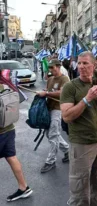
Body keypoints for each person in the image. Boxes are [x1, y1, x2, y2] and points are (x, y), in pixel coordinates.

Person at [60, 51, 97, 206]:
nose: (81, 66)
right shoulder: (70, 87)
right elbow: (67, 116)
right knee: (80, 191)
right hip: (81, 144)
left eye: (85, 63)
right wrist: (86, 99)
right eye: (79, 63)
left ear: (94, 65)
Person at [0, 72, 33, 202]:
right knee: (11, 157)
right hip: (9, 128)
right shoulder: (5, 85)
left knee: (11, 157)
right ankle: (23, 187)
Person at [36, 59, 70, 173]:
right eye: (49, 68)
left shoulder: (64, 79)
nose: (51, 70)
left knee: (53, 134)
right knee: (49, 133)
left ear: (59, 67)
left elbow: (62, 93)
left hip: (58, 109)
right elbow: (48, 90)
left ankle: (50, 161)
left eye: (53, 68)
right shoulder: (50, 79)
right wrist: (43, 91)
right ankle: (67, 150)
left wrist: (46, 93)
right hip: (48, 108)